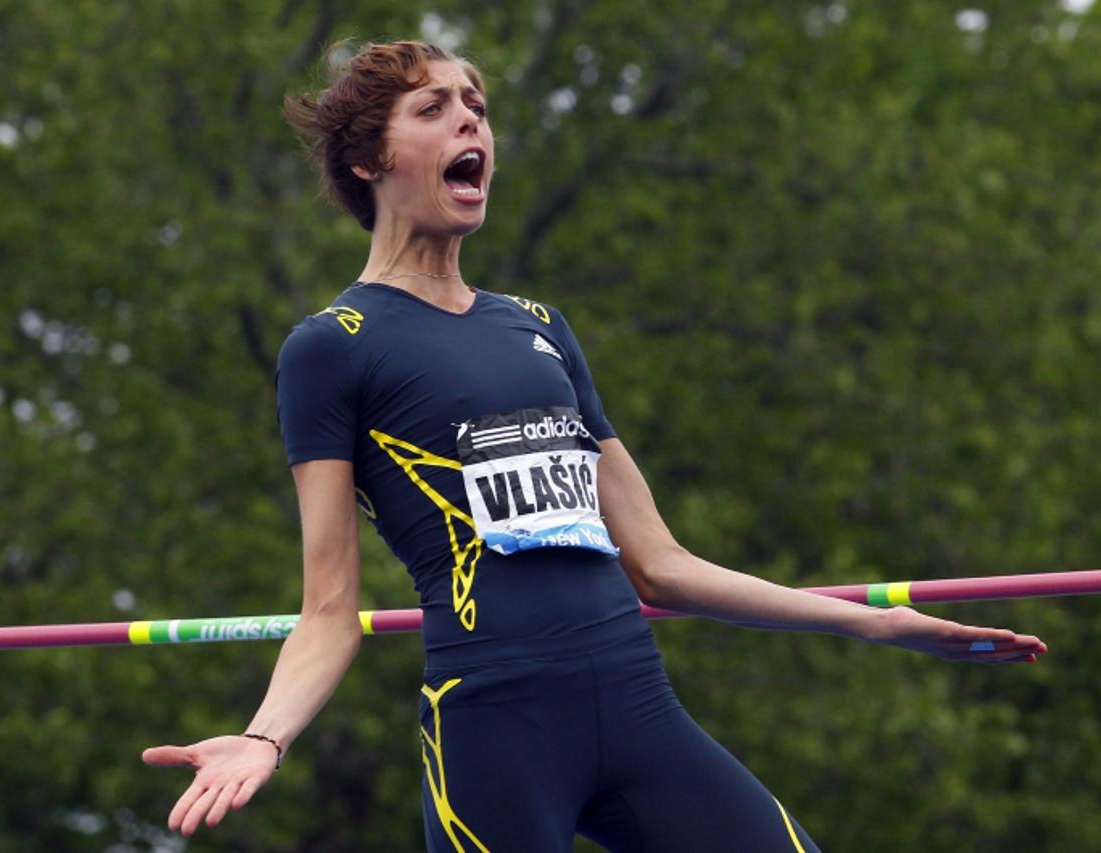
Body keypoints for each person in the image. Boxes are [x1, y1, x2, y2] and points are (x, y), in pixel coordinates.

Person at [142, 40, 1047, 851]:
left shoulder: (539, 326)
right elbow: (330, 607)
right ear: (369, 158)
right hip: (494, 729)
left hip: (637, 705)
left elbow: (661, 563)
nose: (472, 119)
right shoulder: (331, 346)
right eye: (436, 108)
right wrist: (264, 736)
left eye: (479, 107)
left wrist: (876, 623)